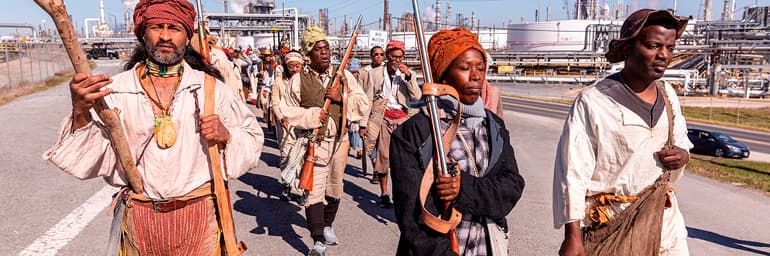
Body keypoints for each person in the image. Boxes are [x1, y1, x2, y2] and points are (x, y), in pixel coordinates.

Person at [42, 0, 264, 254]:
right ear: (143, 32)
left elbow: (252, 139)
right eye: (157, 26)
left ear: (187, 35)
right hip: (140, 220)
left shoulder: (210, 89)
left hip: (200, 219)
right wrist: (80, 111)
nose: (166, 36)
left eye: (175, 28)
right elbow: (94, 156)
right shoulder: (117, 89)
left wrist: (226, 135)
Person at [553, 9, 692, 256]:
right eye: (653, 46)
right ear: (628, 48)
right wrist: (572, 236)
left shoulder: (669, 95)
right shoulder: (594, 101)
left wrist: (682, 155)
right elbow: (572, 173)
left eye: (670, 48)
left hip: (665, 223)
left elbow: (682, 141)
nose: (663, 55)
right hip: (612, 225)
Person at [390, 27, 525, 256]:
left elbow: (512, 187)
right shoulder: (415, 132)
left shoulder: (494, 126)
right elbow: (413, 217)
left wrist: (463, 188)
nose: (476, 76)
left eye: (481, 68)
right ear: (443, 75)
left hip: (487, 246)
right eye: (465, 68)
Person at [280, 26, 369, 256]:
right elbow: (286, 110)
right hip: (314, 143)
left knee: (335, 187)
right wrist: (311, 116)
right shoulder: (298, 80)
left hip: (339, 142)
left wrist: (342, 98)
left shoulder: (344, 76)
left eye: (326, 48)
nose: (324, 53)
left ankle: (328, 225)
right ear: (309, 55)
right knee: (313, 190)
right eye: (318, 49)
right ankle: (317, 239)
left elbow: (363, 103)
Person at [360, 40, 421, 208]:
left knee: (403, 159)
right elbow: (368, 99)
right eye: (394, 57)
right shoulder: (375, 74)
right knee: (384, 157)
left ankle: (401, 193)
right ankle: (384, 193)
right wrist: (363, 124)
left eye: (400, 57)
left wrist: (408, 77)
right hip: (383, 118)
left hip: (402, 119)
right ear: (388, 57)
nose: (397, 61)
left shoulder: (408, 74)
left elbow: (416, 96)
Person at [273, 50, 305, 202]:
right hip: (285, 124)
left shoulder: (306, 80)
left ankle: (301, 190)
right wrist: (281, 118)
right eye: (291, 66)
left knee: (302, 157)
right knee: (286, 155)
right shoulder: (279, 81)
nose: (294, 69)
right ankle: (286, 184)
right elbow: (275, 103)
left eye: (297, 66)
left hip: (303, 124)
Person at [346, 58, 364, 159]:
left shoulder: (361, 81)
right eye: (351, 72)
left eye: (354, 72)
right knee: (349, 129)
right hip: (348, 108)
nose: (353, 74)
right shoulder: (345, 80)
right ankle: (350, 146)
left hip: (358, 109)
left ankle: (358, 148)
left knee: (356, 130)